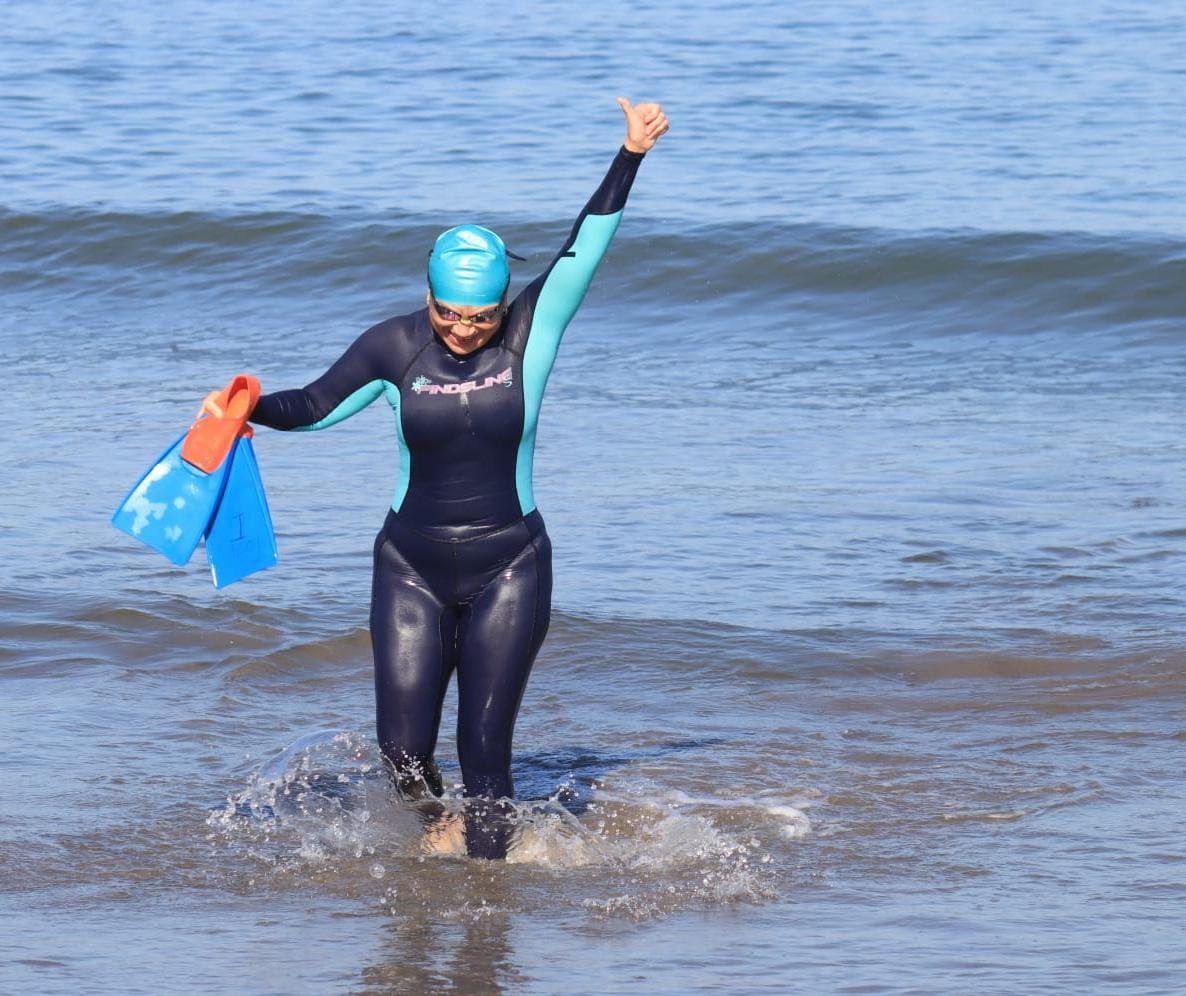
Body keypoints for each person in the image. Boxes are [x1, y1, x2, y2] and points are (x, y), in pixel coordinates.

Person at [203, 96, 669, 858]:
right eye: (449, 312)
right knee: (404, 754)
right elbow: (316, 405)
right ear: (428, 297)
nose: (462, 329)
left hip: (509, 565)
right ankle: (438, 830)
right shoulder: (393, 347)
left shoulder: (530, 333)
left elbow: (585, 248)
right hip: (410, 564)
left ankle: (488, 923)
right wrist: (244, 404)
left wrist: (630, 155)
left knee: (485, 756)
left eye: (479, 316)